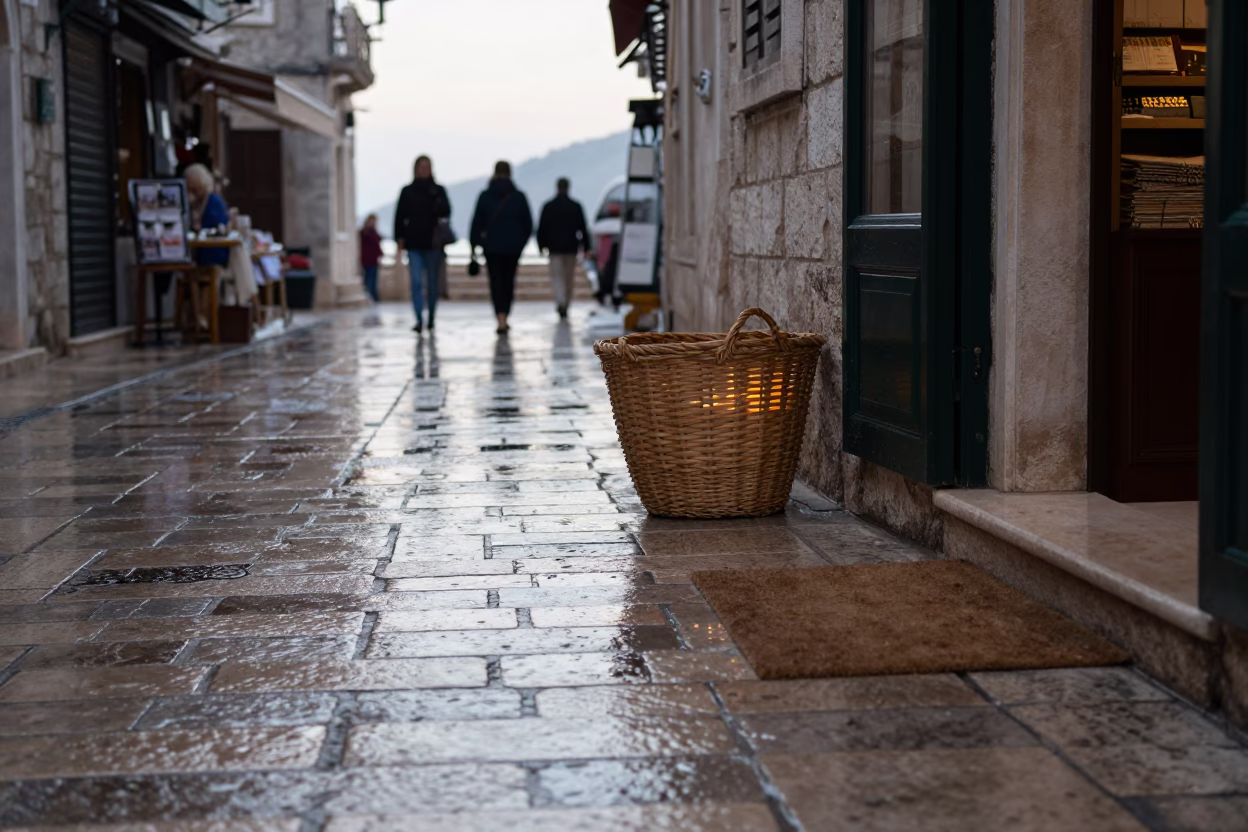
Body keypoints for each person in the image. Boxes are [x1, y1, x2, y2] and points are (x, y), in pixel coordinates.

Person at [470, 160, 533, 334]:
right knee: (508, 282)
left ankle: (500, 318)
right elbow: (528, 225)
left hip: (491, 248)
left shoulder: (485, 196)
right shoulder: (519, 197)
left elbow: (476, 224)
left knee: (496, 283)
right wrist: (520, 244)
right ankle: (505, 315)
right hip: (512, 249)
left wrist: (474, 247)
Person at [393, 155, 451, 333]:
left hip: (433, 244)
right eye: (421, 167)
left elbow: (447, 211)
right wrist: (399, 240)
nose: (424, 170)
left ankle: (431, 317)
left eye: (427, 167)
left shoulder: (438, 190)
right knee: (416, 282)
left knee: (432, 284)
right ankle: (419, 318)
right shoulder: (408, 191)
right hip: (414, 244)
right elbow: (400, 217)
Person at [536, 177, 590, 320]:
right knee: (568, 278)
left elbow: (541, 229)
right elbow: (583, 228)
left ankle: (560, 301)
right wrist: (586, 247)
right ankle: (566, 303)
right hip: (571, 248)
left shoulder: (548, 206)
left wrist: (541, 246)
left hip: (554, 248)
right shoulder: (575, 206)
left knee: (557, 277)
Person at [184, 163, 228, 269]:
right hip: (201, 251)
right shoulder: (199, 203)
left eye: (194, 189)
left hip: (213, 253)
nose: (192, 193)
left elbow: (215, 230)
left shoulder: (214, 202)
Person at [359, 214, 383, 302]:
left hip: (374, 260)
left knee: (373, 280)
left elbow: (377, 245)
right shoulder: (364, 232)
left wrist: (380, 255)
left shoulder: (374, 232)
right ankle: (369, 296)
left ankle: (373, 297)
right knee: (368, 279)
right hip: (367, 260)